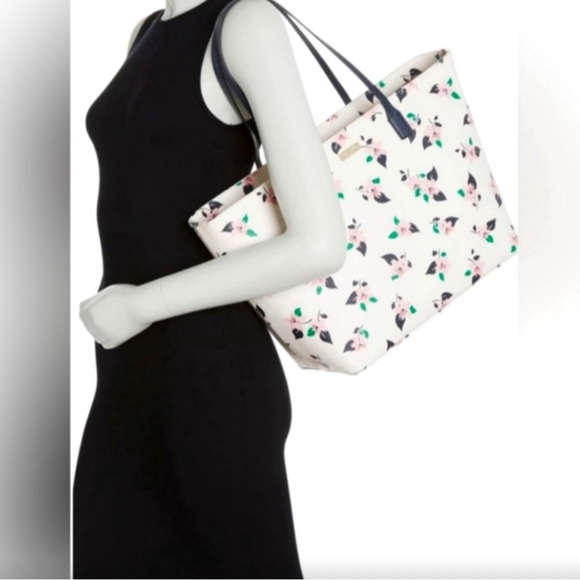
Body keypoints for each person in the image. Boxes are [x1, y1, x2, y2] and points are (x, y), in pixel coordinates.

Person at [73, 0, 347, 577]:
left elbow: (320, 243)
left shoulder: (245, 22)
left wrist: (141, 304)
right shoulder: (147, 32)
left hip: (214, 381)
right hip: (125, 379)